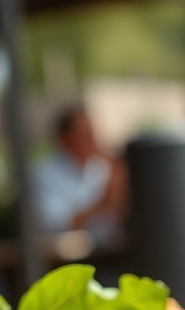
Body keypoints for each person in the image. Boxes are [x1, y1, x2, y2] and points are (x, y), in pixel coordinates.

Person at [32, 105, 127, 249]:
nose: (93, 140)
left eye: (93, 133)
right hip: (67, 260)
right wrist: (101, 204)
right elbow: (53, 226)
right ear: (64, 139)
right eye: (85, 134)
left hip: (113, 251)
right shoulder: (43, 174)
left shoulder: (104, 167)